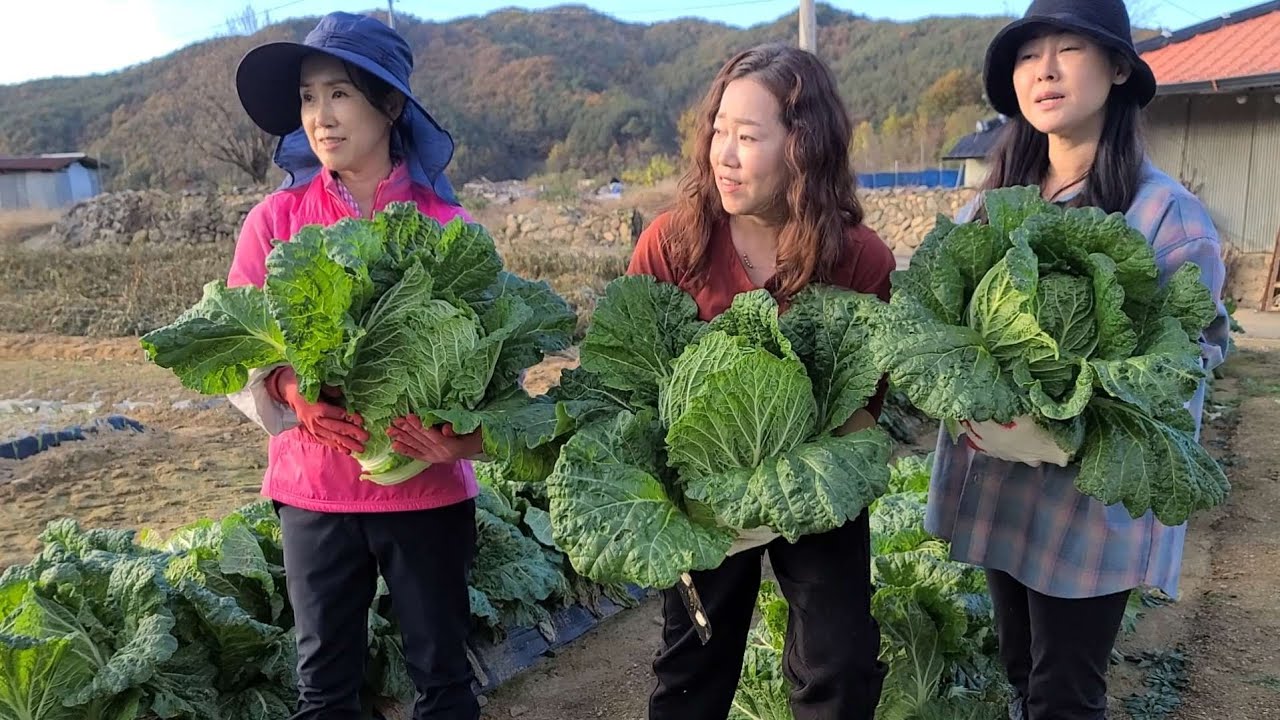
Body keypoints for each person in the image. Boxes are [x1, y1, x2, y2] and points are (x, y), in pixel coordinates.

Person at [924, 2, 1231, 719]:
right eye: (1030, 56)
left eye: (1069, 50)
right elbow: (933, 328)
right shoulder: (994, 204)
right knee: (1021, 666)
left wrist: (1064, 429)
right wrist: (978, 409)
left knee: (1066, 689)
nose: (1046, 71)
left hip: (1091, 500)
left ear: (1118, 68)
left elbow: (1188, 360)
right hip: (1004, 473)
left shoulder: (1165, 215)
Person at [225, 12, 484, 720]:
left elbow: (495, 379)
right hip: (313, 490)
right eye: (308, 98)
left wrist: (458, 437)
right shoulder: (273, 223)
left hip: (423, 488)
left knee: (444, 679)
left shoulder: (451, 229)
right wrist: (288, 391)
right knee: (325, 686)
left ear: (391, 104)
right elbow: (236, 347)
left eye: (339, 93)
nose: (320, 117)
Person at [627, 43, 895, 720]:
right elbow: (628, 382)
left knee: (837, 666)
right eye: (718, 131)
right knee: (692, 665)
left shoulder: (858, 259)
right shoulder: (671, 244)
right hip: (702, 490)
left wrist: (780, 490)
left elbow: (862, 412)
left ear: (804, 148)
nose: (725, 153)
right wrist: (713, 494)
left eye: (749, 137)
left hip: (815, 483)